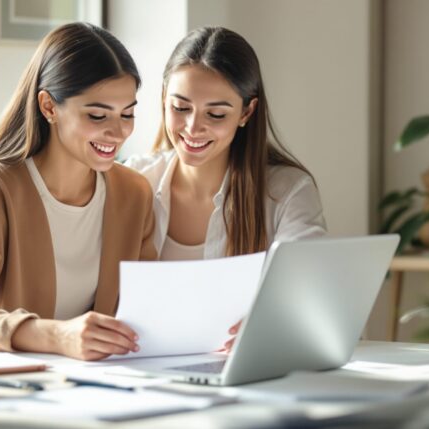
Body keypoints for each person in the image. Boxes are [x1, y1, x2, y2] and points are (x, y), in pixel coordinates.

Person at [0, 23, 155, 361]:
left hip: (104, 380)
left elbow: (147, 306)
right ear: (48, 107)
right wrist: (57, 336)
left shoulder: (133, 193)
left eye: (127, 114)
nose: (118, 132)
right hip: (12, 381)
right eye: (97, 115)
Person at [126, 27, 327, 350]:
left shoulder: (287, 191)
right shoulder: (134, 181)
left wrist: (273, 324)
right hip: (144, 364)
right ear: (163, 99)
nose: (193, 127)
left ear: (246, 112)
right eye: (180, 108)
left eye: (216, 114)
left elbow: (310, 296)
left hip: (242, 369)